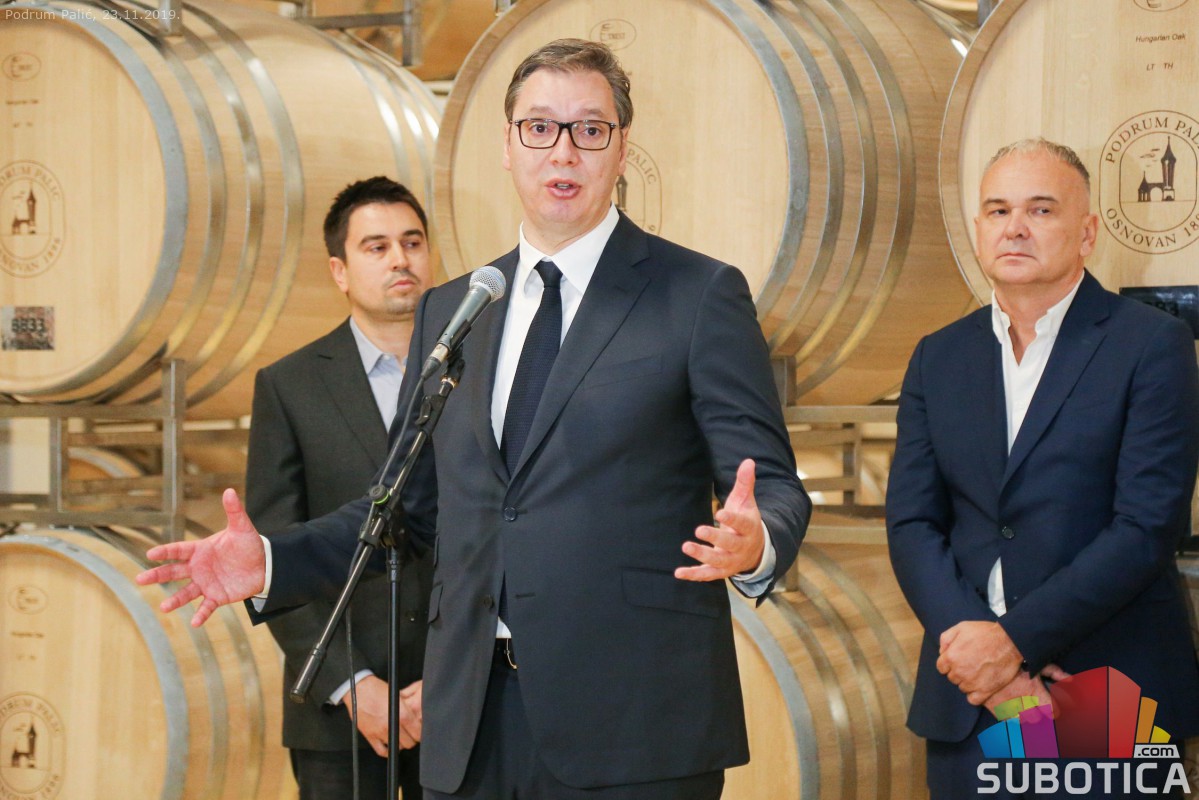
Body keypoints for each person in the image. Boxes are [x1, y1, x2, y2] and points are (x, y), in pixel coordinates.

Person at [139, 38, 810, 799]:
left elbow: (772, 482)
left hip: (634, 721)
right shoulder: (459, 307)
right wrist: (269, 561)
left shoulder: (696, 294)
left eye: (589, 129)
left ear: (621, 147)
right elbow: (404, 505)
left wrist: (756, 541)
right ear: (508, 146)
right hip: (470, 723)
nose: (563, 151)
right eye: (539, 127)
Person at [886, 138, 1199, 798]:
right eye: (998, 210)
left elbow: (1145, 528)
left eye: (1040, 209)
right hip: (971, 698)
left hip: (1107, 689)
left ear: (1086, 233)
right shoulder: (937, 356)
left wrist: (1012, 644)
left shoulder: (1151, 345)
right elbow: (912, 522)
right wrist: (985, 662)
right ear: (979, 228)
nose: (1015, 228)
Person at [245, 177, 435, 799]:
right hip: (338, 715)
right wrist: (353, 684)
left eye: (412, 242)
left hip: (460, 701)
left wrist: (453, 675)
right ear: (340, 271)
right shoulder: (289, 386)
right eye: (376, 247)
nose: (400, 259)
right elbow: (277, 555)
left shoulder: (476, 371)